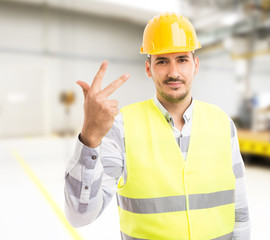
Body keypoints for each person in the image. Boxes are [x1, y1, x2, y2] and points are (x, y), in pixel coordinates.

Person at [65, 12, 251, 240]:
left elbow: (239, 210)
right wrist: (90, 138)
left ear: (196, 65)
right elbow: (80, 216)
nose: (173, 72)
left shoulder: (222, 123)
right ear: (148, 68)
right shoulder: (121, 128)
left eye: (182, 59)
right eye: (162, 61)